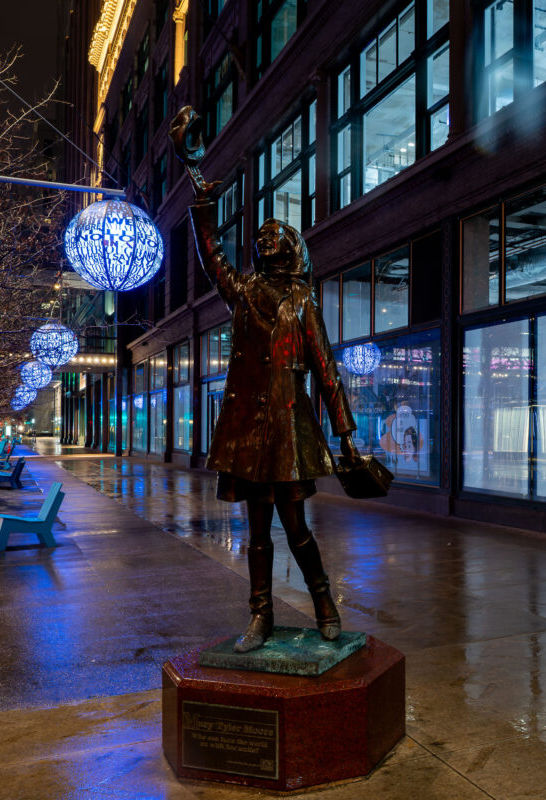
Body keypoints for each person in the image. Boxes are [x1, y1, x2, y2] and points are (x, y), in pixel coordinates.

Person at [173, 110, 360, 653]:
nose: (264, 238)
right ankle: (261, 616)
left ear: (292, 246)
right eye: (260, 235)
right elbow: (213, 260)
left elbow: (325, 368)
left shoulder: (303, 301)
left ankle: (323, 602)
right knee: (256, 532)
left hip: (288, 428)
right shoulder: (244, 292)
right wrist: (202, 207)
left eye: (274, 233)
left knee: (295, 526)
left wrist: (345, 434)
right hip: (249, 432)